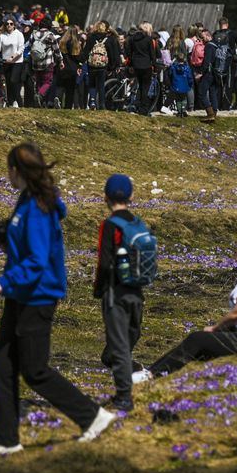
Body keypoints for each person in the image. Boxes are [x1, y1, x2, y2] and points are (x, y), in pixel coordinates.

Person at [0, 143, 115, 458]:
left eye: (9, 169)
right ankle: (5, 439)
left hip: (37, 296)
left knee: (34, 370)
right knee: (2, 365)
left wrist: (4, 281)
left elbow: (38, 260)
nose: (7, 175)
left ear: (18, 170)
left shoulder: (39, 208)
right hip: (20, 295)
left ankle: (93, 416)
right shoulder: (26, 201)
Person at [142, 231, 237, 379]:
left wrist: (215, 328)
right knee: (199, 345)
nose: (236, 248)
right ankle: (151, 372)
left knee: (198, 339)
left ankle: (151, 375)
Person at [92, 174, 148, 412]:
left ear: (105, 197)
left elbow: (105, 263)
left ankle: (124, 396)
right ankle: (132, 377)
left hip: (116, 292)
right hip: (137, 292)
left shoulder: (109, 224)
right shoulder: (139, 224)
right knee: (126, 341)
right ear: (132, 196)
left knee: (118, 346)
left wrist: (98, 290)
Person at [83, 21, 120, 110]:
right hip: (103, 66)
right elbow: (113, 54)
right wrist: (112, 67)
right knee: (101, 85)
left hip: (91, 65)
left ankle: (92, 101)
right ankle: (101, 104)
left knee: (92, 84)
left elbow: (86, 51)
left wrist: (81, 62)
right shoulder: (110, 39)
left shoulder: (91, 37)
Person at [0, 17, 25, 107]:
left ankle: (20, 103)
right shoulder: (2, 36)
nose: (9, 25)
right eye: (7, 24)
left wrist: (13, 57)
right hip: (6, 62)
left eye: (11, 24)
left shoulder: (19, 34)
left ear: (14, 25)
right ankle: (10, 103)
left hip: (17, 62)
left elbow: (21, 48)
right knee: (8, 84)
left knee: (13, 81)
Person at [126, 22, 158, 116]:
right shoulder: (148, 39)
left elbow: (129, 53)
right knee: (145, 88)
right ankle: (143, 109)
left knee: (139, 86)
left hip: (136, 65)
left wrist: (131, 65)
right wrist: (155, 66)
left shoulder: (132, 39)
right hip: (146, 65)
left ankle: (137, 105)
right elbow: (152, 55)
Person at [197, 29, 220, 124]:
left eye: (203, 38)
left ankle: (210, 114)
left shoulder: (209, 46)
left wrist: (201, 72)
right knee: (213, 92)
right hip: (217, 73)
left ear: (208, 35)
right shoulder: (217, 45)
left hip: (209, 73)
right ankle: (214, 113)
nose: (202, 40)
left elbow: (207, 61)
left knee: (201, 92)